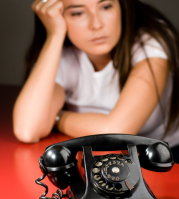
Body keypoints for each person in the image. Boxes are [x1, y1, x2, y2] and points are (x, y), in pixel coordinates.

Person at [13, 0, 179, 162]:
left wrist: (55, 118)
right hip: (99, 157)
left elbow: (117, 132)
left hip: (165, 156)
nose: (96, 24)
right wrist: (55, 34)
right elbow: (27, 130)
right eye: (78, 13)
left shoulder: (150, 42)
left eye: (106, 7)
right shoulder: (62, 56)